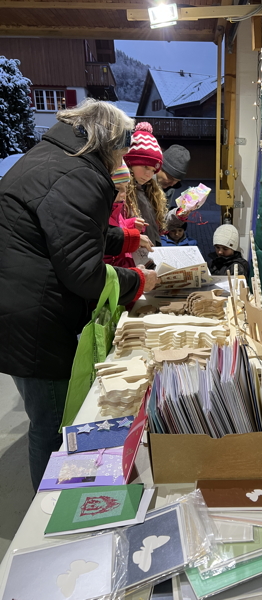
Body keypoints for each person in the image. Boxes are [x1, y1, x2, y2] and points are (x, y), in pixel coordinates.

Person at [0, 99, 158, 491]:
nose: (122, 160)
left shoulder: (51, 157)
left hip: (17, 305)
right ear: (107, 142)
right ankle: (49, 509)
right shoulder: (80, 175)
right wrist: (138, 281)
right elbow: (84, 273)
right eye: (121, 150)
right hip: (36, 319)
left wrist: (125, 236)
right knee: (53, 422)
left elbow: (67, 229)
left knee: (47, 414)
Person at [124, 123, 189, 246]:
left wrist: (178, 214)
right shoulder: (123, 189)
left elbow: (158, 225)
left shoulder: (152, 189)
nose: (149, 174)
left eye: (153, 170)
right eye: (145, 167)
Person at [105, 160, 153, 268]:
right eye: (118, 188)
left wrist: (131, 224)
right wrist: (134, 265)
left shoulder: (117, 207)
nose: (123, 195)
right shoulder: (102, 215)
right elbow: (108, 261)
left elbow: (119, 227)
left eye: (125, 188)